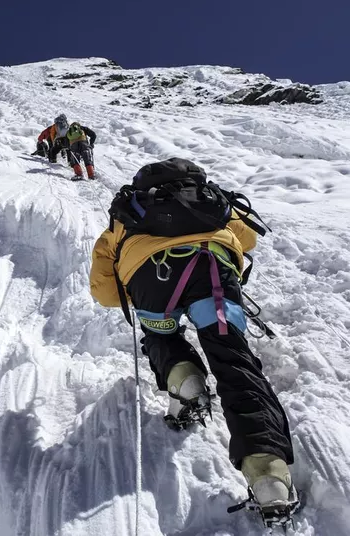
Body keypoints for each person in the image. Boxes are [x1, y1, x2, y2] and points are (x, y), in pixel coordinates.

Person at [89, 158, 296, 522]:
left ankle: (184, 381)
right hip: (213, 271)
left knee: (160, 337)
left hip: (151, 278)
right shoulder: (209, 200)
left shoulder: (127, 213)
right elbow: (246, 239)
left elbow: (106, 291)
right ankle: (267, 475)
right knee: (233, 358)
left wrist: (137, 288)